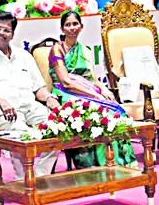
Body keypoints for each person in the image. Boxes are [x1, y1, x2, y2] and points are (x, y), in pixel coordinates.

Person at [0, 12, 60, 180]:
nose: (0, 33)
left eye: (6, 30)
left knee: (58, 128)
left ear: (12, 34)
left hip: (30, 106)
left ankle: (39, 177)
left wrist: (48, 97)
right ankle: (22, 179)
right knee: (24, 136)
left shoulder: (24, 56)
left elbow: (39, 88)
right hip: (3, 111)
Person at [48, 11, 138, 169]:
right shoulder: (57, 50)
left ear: (81, 27)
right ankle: (93, 165)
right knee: (95, 110)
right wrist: (94, 96)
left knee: (116, 111)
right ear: (62, 29)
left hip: (86, 89)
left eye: (75, 24)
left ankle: (119, 162)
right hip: (65, 92)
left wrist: (103, 90)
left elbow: (93, 79)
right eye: (67, 25)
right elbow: (66, 82)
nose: (72, 28)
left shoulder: (85, 50)